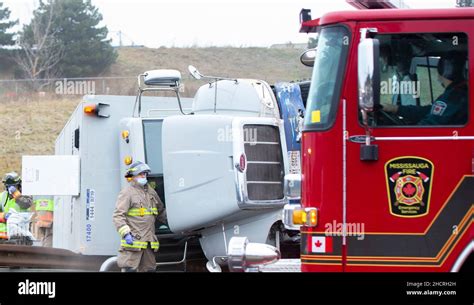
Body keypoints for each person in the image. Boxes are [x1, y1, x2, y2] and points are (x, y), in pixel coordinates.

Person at [383, 52, 468, 125]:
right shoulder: (458, 93)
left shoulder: (454, 98)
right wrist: (396, 108)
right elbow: (428, 111)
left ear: (443, 72)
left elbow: (430, 125)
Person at [112, 161, 167, 272]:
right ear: (133, 176)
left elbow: (161, 212)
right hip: (133, 243)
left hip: (148, 243)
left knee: (150, 270)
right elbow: (118, 215)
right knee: (130, 269)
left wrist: (174, 223)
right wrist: (126, 233)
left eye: (145, 174)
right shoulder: (127, 192)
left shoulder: (151, 192)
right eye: (141, 174)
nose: (144, 176)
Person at [0, 172, 33, 240]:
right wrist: (4, 215)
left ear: (19, 184)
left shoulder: (25, 194)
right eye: (8, 186)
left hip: (21, 233)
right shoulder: (2, 196)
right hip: (4, 234)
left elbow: (26, 204)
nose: (10, 188)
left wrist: (16, 194)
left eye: (13, 185)